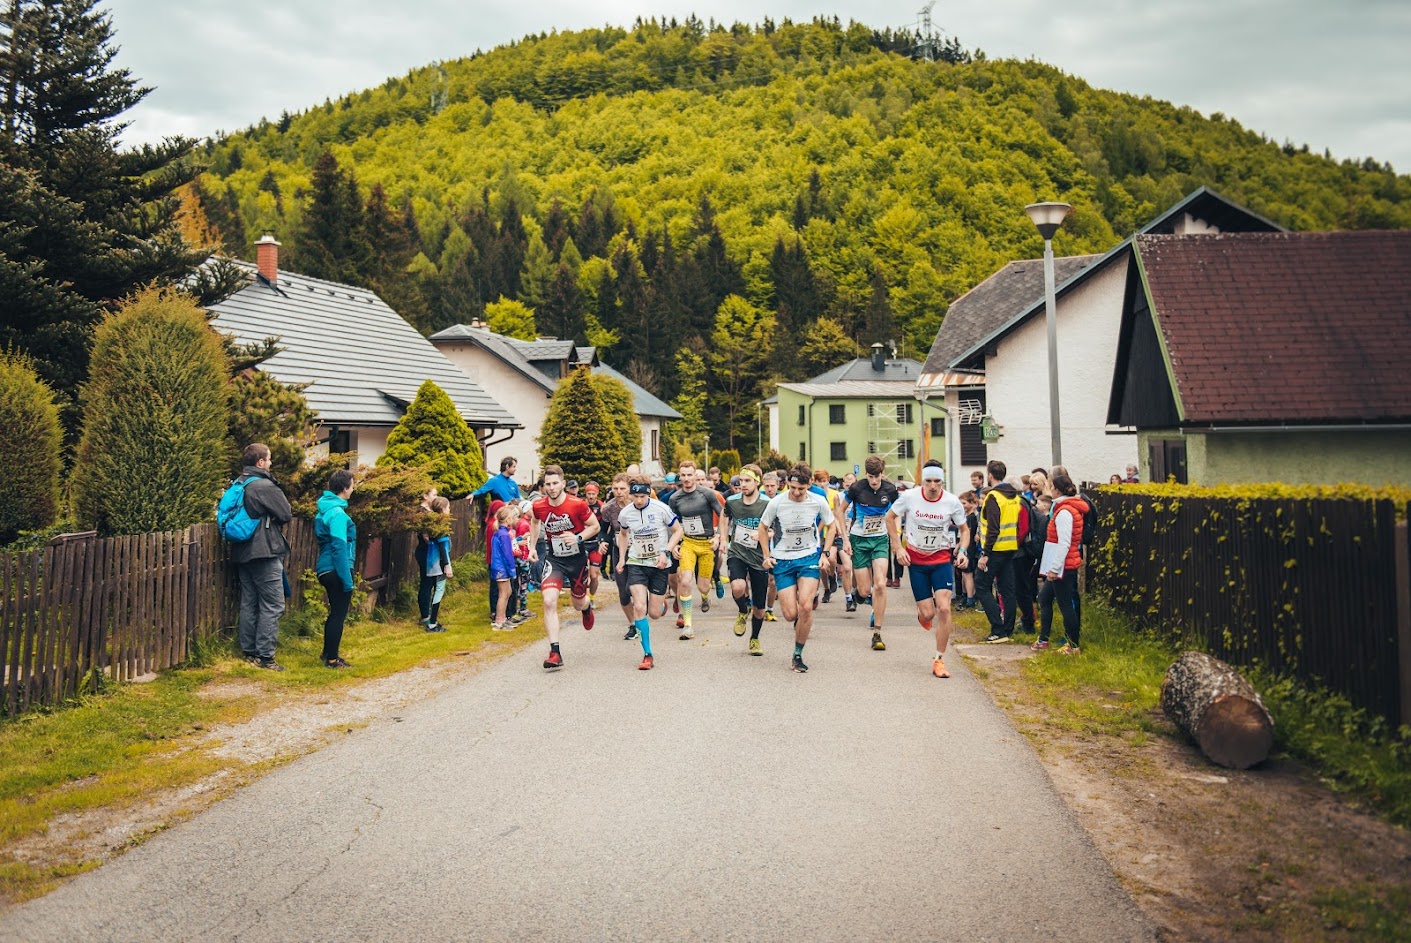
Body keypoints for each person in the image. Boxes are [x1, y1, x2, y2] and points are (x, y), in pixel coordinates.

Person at [888, 461, 969, 678]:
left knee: (944, 609)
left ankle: (939, 660)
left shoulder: (952, 501)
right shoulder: (909, 497)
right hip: (916, 562)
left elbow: (964, 529)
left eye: (937, 481)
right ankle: (924, 615)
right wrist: (898, 548)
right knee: (928, 613)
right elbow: (889, 518)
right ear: (922, 481)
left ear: (942, 481)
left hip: (941, 560)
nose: (933, 486)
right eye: (929, 481)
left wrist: (963, 551)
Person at [758, 464, 836, 673]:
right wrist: (766, 555)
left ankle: (797, 654)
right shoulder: (777, 502)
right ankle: (801, 616)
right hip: (783, 560)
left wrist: (825, 553)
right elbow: (763, 527)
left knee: (806, 607)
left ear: (808, 485)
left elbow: (832, 525)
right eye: (792, 488)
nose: (795, 492)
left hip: (809, 556)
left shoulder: (817, 501)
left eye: (800, 489)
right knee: (791, 614)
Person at [529, 465, 600, 670]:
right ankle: (555, 652)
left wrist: (577, 537)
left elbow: (594, 526)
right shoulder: (539, 505)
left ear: (562, 483)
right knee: (549, 600)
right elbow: (535, 522)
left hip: (576, 559)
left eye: (555, 484)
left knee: (577, 603)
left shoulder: (577, 504)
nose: (551, 488)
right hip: (554, 559)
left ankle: (586, 608)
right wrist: (533, 546)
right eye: (548, 484)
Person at [231, 443, 293, 671]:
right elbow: (285, 513)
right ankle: (265, 657)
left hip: (241, 550)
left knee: (249, 602)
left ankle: (248, 652)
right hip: (263, 552)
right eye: (269, 459)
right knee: (273, 604)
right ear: (260, 463)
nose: (271, 463)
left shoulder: (239, 483)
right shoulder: (264, 485)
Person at [616, 475, 683, 669]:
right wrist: (622, 558)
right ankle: (647, 654)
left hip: (659, 563)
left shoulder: (661, 509)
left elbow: (678, 531)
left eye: (642, 497)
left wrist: (666, 551)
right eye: (635, 496)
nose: (638, 501)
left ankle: (660, 605)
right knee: (639, 606)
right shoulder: (626, 513)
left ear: (649, 493)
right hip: (636, 562)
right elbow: (623, 534)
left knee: (654, 613)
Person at [841, 455, 899, 652]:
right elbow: (839, 511)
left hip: (880, 539)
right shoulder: (857, 488)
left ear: (883, 474)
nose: (874, 481)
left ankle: (877, 633)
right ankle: (860, 594)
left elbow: (894, 515)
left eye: (877, 476)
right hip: (859, 539)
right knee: (865, 590)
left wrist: (896, 541)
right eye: (870, 476)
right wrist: (846, 538)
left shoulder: (890, 490)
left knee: (881, 584)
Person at [1033, 473, 1091, 654]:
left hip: (1063, 566)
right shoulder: (1064, 508)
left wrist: (1054, 568)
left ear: (1056, 489)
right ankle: (1045, 638)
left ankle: (1073, 645)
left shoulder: (1065, 511)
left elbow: (1064, 543)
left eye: (1051, 487)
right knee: (1044, 598)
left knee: (1066, 605)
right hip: (1063, 563)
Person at [669, 460, 724, 639]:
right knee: (684, 581)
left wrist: (719, 536)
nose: (686, 479)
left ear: (695, 475)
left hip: (707, 544)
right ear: (680, 476)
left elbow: (723, 514)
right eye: (683, 475)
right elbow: (672, 524)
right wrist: (674, 544)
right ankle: (688, 625)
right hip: (688, 543)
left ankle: (705, 595)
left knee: (703, 586)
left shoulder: (707, 493)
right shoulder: (674, 498)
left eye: (689, 475)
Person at [723, 464, 771, 655]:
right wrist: (722, 538)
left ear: (757, 482)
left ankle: (754, 638)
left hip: (759, 557)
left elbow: (775, 527)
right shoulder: (732, 501)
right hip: (738, 553)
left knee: (760, 608)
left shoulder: (768, 503)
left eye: (747, 481)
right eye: (741, 481)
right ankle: (743, 610)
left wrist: (764, 534)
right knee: (738, 587)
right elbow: (725, 516)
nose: (742, 484)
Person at [976, 459, 1023, 643]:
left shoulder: (993, 497)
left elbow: (993, 528)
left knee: (981, 585)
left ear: (989, 475)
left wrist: (985, 554)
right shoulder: (1014, 497)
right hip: (1010, 547)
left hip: (995, 549)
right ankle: (1008, 629)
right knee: (1007, 589)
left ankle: (998, 628)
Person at [314, 468, 357, 668]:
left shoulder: (324, 509)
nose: (353, 488)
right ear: (344, 488)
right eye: (352, 484)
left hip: (324, 568)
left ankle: (327, 653)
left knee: (334, 613)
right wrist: (347, 580)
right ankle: (332, 660)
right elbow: (339, 547)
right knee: (339, 615)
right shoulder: (338, 514)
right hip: (336, 567)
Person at [602, 473, 638, 639]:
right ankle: (633, 625)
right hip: (619, 551)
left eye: (622, 488)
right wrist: (601, 542)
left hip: (640, 551)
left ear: (629, 488)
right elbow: (604, 530)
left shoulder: (638, 503)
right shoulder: (609, 508)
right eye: (615, 488)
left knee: (635, 588)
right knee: (624, 592)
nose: (619, 492)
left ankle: (651, 605)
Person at [419, 497, 454, 632]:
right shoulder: (441, 526)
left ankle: (433, 621)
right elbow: (442, 547)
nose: (449, 510)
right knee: (439, 590)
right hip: (438, 562)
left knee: (436, 589)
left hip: (432, 561)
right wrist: (447, 564)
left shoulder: (433, 523)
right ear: (443, 509)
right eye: (448, 508)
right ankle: (432, 623)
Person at [490, 504, 519, 630]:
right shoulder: (503, 534)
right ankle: (499, 621)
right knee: (504, 594)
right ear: (508, 519)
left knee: (508, 592)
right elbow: (507, 554)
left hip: (500, 567)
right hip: (501, 568)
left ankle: (503, 618)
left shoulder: (500, 533)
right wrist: (512, 570)